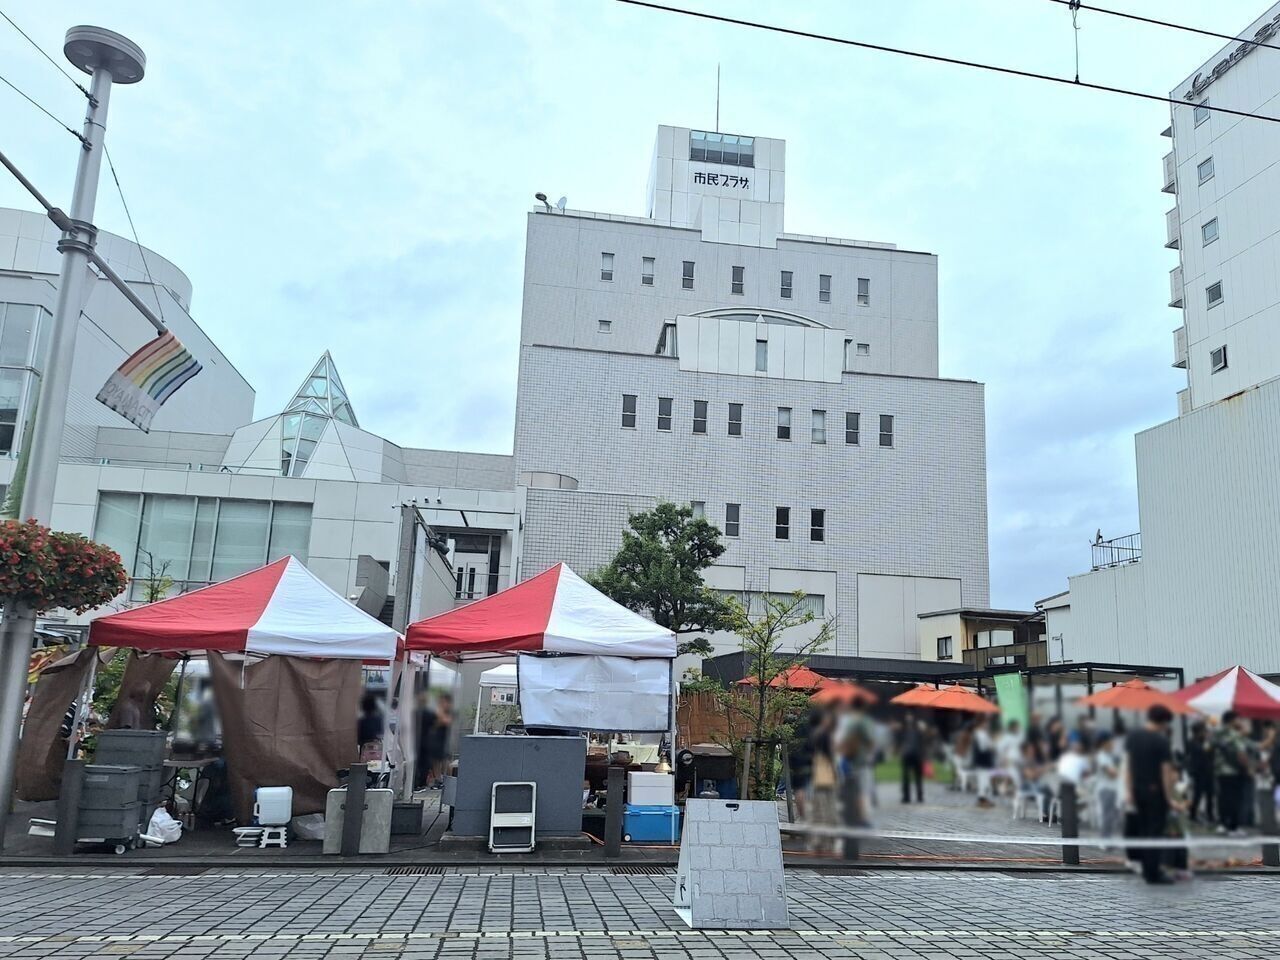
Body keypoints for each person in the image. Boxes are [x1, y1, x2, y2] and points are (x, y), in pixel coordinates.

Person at [1125, 704, 1184, 884]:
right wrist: (1169, 799)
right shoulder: (1161, 741)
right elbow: (1165, 772)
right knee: (1155, 833)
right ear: (1164, 721)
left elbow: (1128, 766)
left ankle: (1146, 869)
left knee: (1143, 830)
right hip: (1155, 792)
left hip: (1138, 790)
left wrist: (1129, 791)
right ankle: (1152, 872)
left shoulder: (1134, 736)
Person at [1214, 712, 1251, 835]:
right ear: (1232, 720)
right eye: (1238, 719)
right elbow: (1241, 754)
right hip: (1234, 771)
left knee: (1223, 798)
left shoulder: (1217, 733)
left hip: (1220, 770)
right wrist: (1248, 768)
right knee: (1235, 799)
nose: (1240, 721)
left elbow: (1209, 747)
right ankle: (1234, 827)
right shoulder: (1235, 734)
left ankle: (1223, 824)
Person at [1186, 721, 1216, 825]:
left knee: (1210, 794)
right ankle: (1193, 814)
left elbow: (1211, 752)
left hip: (1208, 771)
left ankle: (1210, 815)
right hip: (1199, 772)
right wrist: (1208, 740)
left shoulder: (1203, 741)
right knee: (1198, 794)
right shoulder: (1192, 742)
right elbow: (1203, 750)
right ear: (1198, 732)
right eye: (1204, 731)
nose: (1205, 733)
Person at [1094, 731, 1123, 838]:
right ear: (1104, 743)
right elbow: (1112, 773)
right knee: (1107, 816)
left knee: (1112, 816)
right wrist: (1122, 770)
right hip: (1106, 789)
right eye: (1111, 741)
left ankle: (1108, 839)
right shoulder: (1101, 756)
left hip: (1112, 789)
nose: (1113, 744)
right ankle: (1105, 839)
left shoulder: (1108, 756)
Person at [896, 711, 927, 804]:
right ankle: (907, 797)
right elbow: (899, 742)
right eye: (908, 716)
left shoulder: (918, 729)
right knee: (906, 777)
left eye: (910, 716)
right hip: (908, 755)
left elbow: (922, 742)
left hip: (916, 755)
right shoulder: (903, 729)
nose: (909, 718)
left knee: (917, 777)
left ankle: (918, 796)